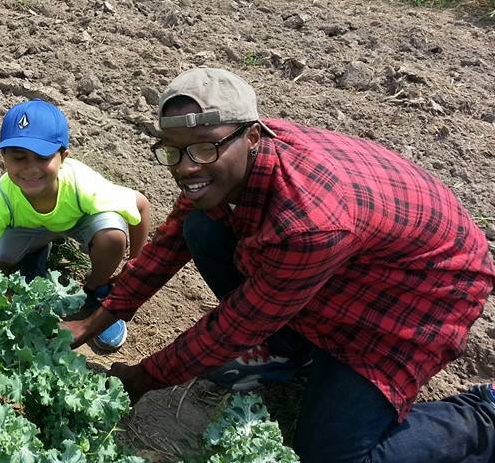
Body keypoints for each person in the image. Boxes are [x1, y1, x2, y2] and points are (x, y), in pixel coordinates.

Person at [64, 67, 495, 463]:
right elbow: (170, 240)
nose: (187, 166)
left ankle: (482, 416)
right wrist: (96, 320)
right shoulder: (234, 161)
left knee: (332, 457)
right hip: (354, 258)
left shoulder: (307, 223)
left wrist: (141, 378)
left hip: (421, 290)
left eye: (204, 148)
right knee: (200, 226)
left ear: (252, 137)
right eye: (173, 152)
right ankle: (289, 349)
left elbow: (238, 325)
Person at [0, 99, 151, 353]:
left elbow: (141, 205)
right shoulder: (1, 199)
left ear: (63, 156)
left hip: (79, 220)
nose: (30, 169)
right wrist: (17, 304)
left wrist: (133, 270)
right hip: (28, 229)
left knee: (112, 236)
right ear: (4, 158)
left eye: (43, 157)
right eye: (19, 158)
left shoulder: (82, 185)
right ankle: (33, 262)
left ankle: (96, 292)